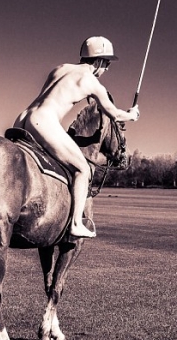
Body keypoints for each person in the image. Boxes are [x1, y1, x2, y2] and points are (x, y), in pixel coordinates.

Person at [14, 36, 140, 238]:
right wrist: (132, 115)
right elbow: (114, 114)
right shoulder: (92, 83)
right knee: (82, 169)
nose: (106, 69)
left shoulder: (60, 68)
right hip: (44, 121)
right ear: (98, 61)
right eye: (107, 63)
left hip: (22, 118)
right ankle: (75, 223)